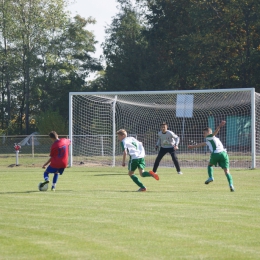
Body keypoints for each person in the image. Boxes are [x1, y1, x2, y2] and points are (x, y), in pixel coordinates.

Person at [188, 120, 235, 192]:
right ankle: (231, 185)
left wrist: (219, 126)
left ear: (209, 132)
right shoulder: (212, 139)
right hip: (224, 154)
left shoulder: (209, 137)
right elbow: (201, 144)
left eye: (204, 133)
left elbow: (215, 132)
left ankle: (211, 177)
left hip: (216, 154)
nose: (203, 134)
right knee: (227, 172)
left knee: (210, 165)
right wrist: (193, 146)